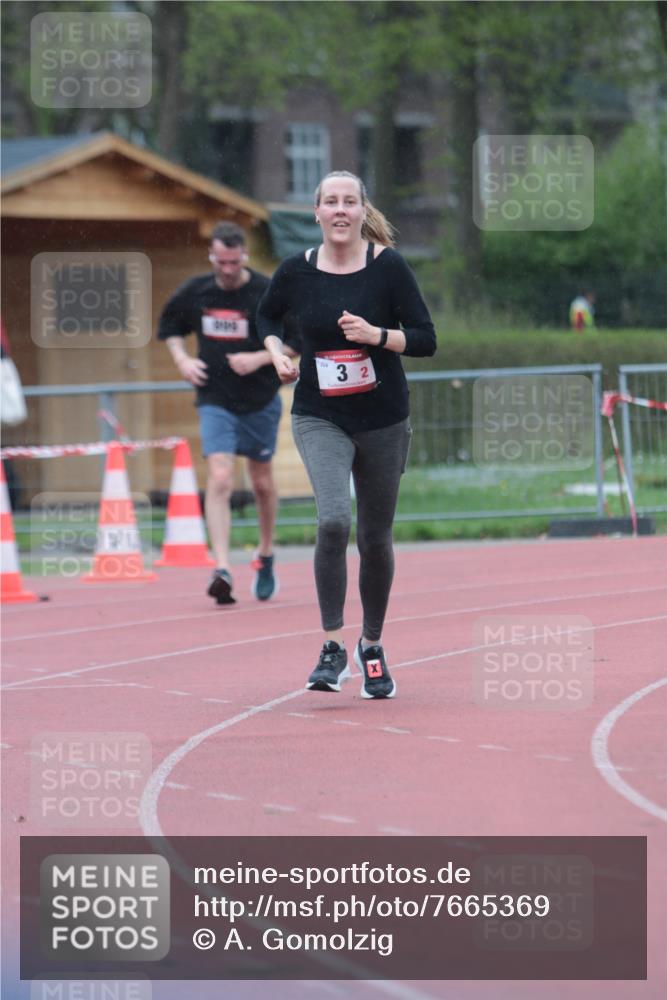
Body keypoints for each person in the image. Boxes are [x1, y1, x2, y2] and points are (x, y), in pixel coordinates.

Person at [257, 170, 436, 699]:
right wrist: (276, 354)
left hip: (383, 419)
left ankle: (372, 645)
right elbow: (266, 317)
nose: (340, 210)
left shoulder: (389, 269)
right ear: (315, 213)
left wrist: (376, 336)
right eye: (330, 202)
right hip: (320, 414)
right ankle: (333, 645)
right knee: (334, 519)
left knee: (375, 537)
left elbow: (426, 339)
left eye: (349, 202)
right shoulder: (295, 271)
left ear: (362, 211)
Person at [157, 221, 299, 605]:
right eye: (221, 262)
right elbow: (169, 325)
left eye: (234, 262)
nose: (228, 270)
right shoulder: (197, 291)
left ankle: (265, 553)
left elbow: (298, 340)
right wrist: (182, 359)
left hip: (259, 399)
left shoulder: (265, 290)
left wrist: (258, 358)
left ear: (244, 257)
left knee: (261, 483)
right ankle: (221, 567)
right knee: (219, 476)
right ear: (212, 257)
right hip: (215, 398)